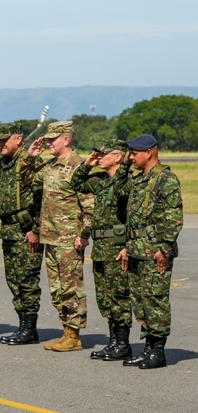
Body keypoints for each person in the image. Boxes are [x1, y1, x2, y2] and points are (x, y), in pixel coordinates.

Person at [26, 121, 93, 352]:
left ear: (66, 139)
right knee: (56, 288)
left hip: (68, 240)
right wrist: (30, 158)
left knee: (71, 287)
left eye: (52, 139)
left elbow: (89, 204)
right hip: (50, 238)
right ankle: (66, 331)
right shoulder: (50, 166)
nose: (47, 143)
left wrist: (84, 234)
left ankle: (74, 335)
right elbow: (27, 182)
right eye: (47, 139)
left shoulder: (78, 166)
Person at [117, 134, 183, 369]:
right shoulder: (140, 179)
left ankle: (158, 352)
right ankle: (147, 349)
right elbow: (130, 214)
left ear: (150, 153)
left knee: (156, 301)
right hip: (137, 251)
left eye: (134, 153)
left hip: (155, 253)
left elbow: (174, 218)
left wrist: (164, 249)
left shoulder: (166, 179)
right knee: (141, 301)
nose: (131, 157)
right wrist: (127, 246)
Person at [0, 131, 44, 345]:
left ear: (18, 138)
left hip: (26, 230)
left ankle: (29, 328)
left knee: (27, 281)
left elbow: (41, 195)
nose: (1, 144)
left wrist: (35, 229)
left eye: (5, 140)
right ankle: (23, 325)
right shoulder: (5, 163)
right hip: (9, 230)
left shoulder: (30, 160)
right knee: (14, 280)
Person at [71, 140, 133, 360]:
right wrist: (87, 163)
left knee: (119, 295)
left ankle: (122, 343)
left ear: (118, 156)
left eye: (103, 154)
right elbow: (76, 183)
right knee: (105, 297)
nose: (99, 157)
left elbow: (131, 216)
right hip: (101, 248)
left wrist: (127, 245)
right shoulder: (100, 181)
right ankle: (114, 341)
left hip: (117, 247)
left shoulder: (126, 182)